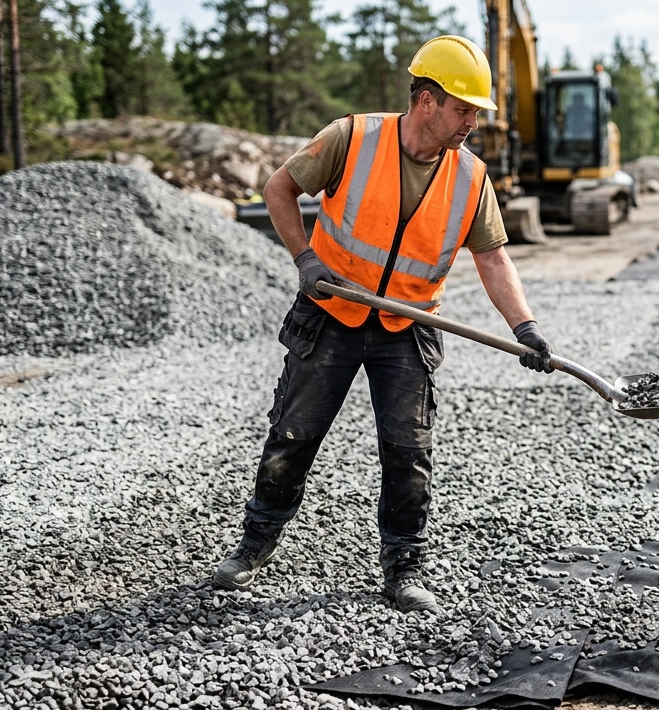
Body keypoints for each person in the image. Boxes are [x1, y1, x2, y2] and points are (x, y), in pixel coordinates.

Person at [211, 34, 556, 614]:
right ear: (427, 100)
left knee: (408, 450)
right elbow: (279, 189)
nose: (472, 122)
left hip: (408, 327)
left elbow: (493, 257)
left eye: (475, 111)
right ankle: (254, 544)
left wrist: (524, 327)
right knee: (293, 436)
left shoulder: (471, 177)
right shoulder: (352, 139)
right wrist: (305, 260)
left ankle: (403, 568)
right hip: (330, 312)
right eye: (464, 109)